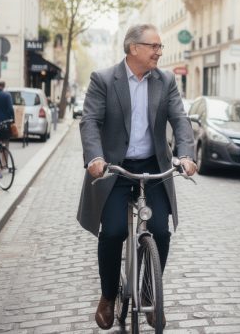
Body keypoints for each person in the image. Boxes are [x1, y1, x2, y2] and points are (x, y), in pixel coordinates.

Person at [78, 24, 197, 330]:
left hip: (153, 166)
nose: (159, 52)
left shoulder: (166, 80)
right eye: (154, 46)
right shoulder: (104, 79)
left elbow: (180, 120)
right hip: (114, 168)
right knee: (114, 231)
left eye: (160, 47)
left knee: (160, 231)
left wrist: (186, 155)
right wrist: (95, 158)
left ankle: (149, 293)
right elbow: (90, 121)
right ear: (134, 48)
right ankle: (108, 296)